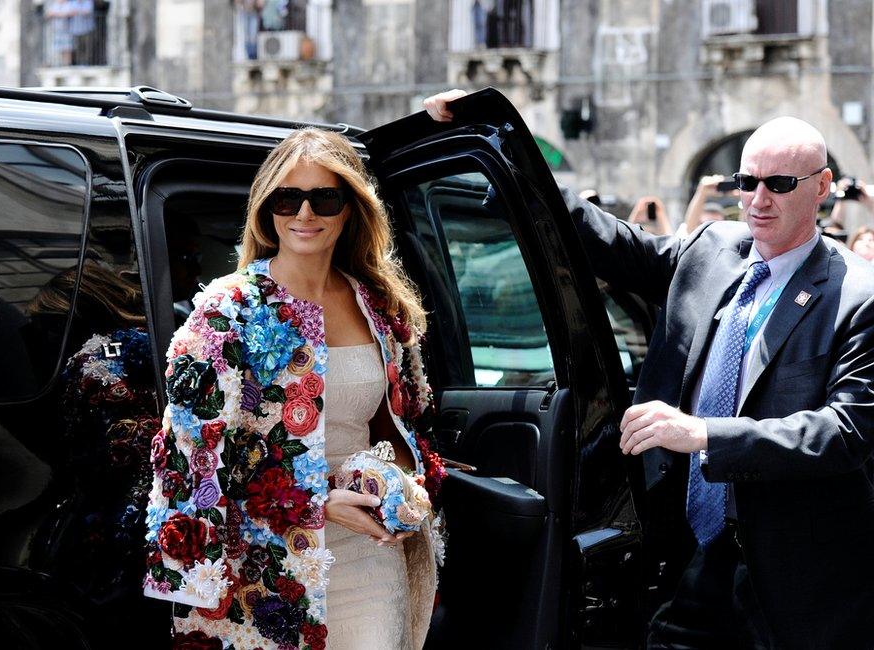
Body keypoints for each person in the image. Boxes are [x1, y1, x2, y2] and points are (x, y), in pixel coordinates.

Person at [425, 90, 874, 648]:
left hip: (793, 578)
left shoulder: (858, 293)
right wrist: (504, 146)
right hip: (686, 558)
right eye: (745, 182)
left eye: (779, 185)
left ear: (823, 187)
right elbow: (606, 240)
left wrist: (704, 434)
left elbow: (846, 432)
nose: (757, 200)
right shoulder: (712, 248)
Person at [142, 128, 445, 649]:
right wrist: (318, 501)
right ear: (267, 209)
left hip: (370, 554)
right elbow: (194, 454)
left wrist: (399, 484)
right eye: (288, 197)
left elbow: (396, 422)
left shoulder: (378, 305)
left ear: (349, 209)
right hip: (266, 566)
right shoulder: (227, 311)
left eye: (324, 197)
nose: (305, 213)